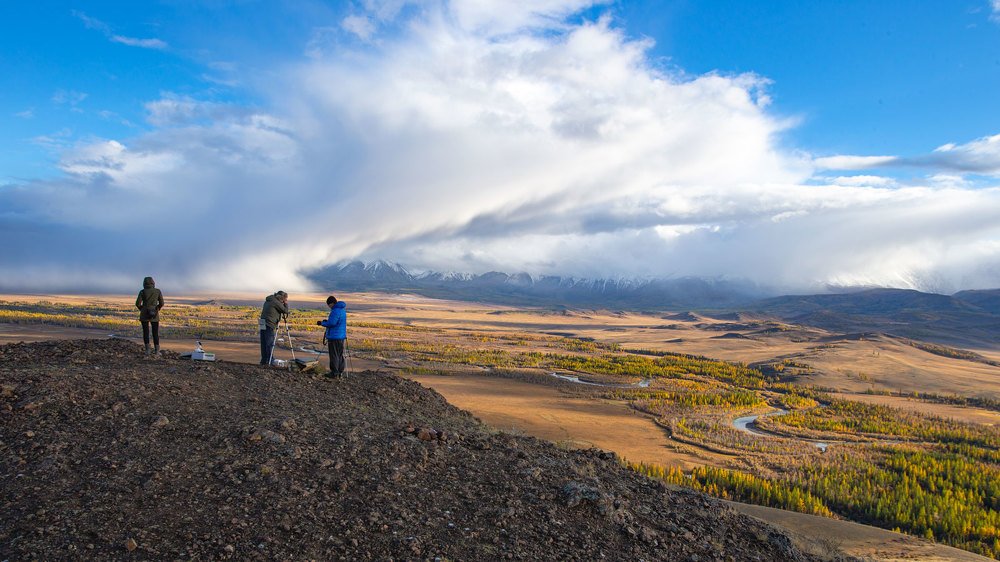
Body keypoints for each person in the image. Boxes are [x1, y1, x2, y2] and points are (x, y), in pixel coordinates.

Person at [317, 295, 347, 377]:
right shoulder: (342, 310)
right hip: (341, 336)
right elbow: (337, 322)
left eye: (329, 305)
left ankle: (334, 373)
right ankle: (340, 371)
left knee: (334, 355)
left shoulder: (335, 311)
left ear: (332, 303)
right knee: (339, 354)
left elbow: (332, 323)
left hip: (334, 336)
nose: (329, 307)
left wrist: (322, 323)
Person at [135, 276, 164, 356]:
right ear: (153, 282)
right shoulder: (157, 291)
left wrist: (142, 309)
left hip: (144, 314)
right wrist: (157, 308)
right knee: (155, 333)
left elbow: (137, 303)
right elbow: (162, 303)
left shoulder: (142, 292)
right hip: (154, 314)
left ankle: (147, 350)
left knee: (146, 332)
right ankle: (157, 351)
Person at [259, 290, 289, 365]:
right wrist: (286, 303)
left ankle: (264, 360)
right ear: (281, 298)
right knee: (269, 343)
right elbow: (285, 311)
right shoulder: (276, 302)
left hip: (262, 322)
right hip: (269, 323)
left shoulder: (269, 300)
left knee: (264, 342)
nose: (283, 301)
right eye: (284, 299)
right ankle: (270, 361)